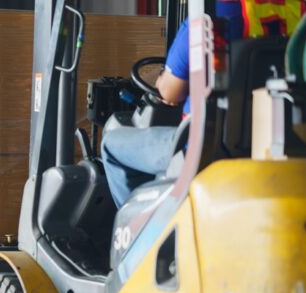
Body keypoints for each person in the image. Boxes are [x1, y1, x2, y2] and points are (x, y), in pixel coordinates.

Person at [101, 0, 244, 207]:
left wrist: (161, 80)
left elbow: (170, 92)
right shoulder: (295, 10)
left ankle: (140, 235)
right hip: (261, 141)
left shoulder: (209, 14)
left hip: (204, 144)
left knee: (111, 145)